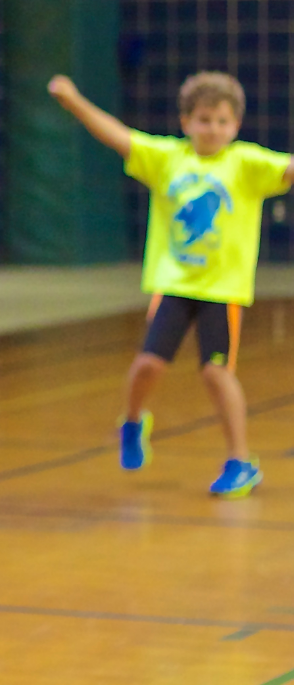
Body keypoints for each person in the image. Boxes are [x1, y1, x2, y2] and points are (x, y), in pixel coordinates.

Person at [48, 71, 294, 497]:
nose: (212, 128)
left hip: (221, 290)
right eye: (203, 119)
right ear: (186, 122)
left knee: (216, 373)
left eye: (221, 121)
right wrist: (73, 101)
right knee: (148, 365)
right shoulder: (166, 158)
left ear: (235, 125)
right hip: (174, 284)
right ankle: (132, 421)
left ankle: (240, 461)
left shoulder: (247, 164)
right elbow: (118, 136)